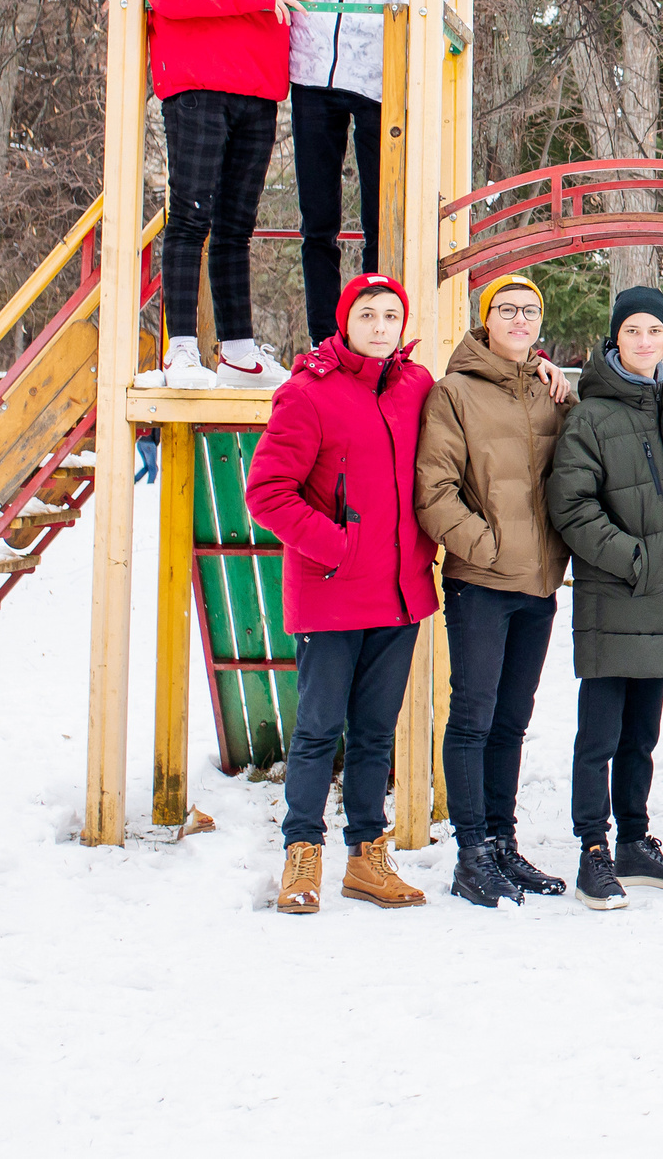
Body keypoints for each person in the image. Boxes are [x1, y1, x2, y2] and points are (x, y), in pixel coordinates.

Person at [156, 0, 408, 346]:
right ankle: (323, 341)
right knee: (316, 223)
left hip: (374, 80)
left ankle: (377, 338)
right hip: (311, 76)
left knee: (378, 224)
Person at [244, 273, 438, 913]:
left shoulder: (417, 388)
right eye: (369, 316)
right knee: (320, 731)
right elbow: (267, 492)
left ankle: (366, 857)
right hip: (331, 591)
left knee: (376, 732)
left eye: (391, 316)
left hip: (399, 591)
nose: (381, 327)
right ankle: (302, 854)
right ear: (344, 321)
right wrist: (339, 547)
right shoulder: (307, 393)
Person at [545, 286, 663, 911]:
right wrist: (634, 559)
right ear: (614, 339)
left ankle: (634, 841)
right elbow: (570, 504)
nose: (644, 341)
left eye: (654, 331)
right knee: (600, 735)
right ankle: (594, 848)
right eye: (633, 331)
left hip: (662, 600)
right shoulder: (591, 414)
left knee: (642, 734)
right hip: (617, 594)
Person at [413, 273, 580, 908]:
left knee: (512, 721)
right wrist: (485, 548)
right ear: (487, 320)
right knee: (474, 718)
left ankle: (503, 844)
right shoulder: (453, 392)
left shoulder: (548, 391)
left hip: (538, 585)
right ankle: (471, 852)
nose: (519, 320)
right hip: (481, 582)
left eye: (529, 311)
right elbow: (435, 490)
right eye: (506, 310)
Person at [139, 0, 303, 388]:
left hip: (257, 84)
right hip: (197, 81)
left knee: (237, 223)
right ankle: (180, 348)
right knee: (191, 215)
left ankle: (238, 349)